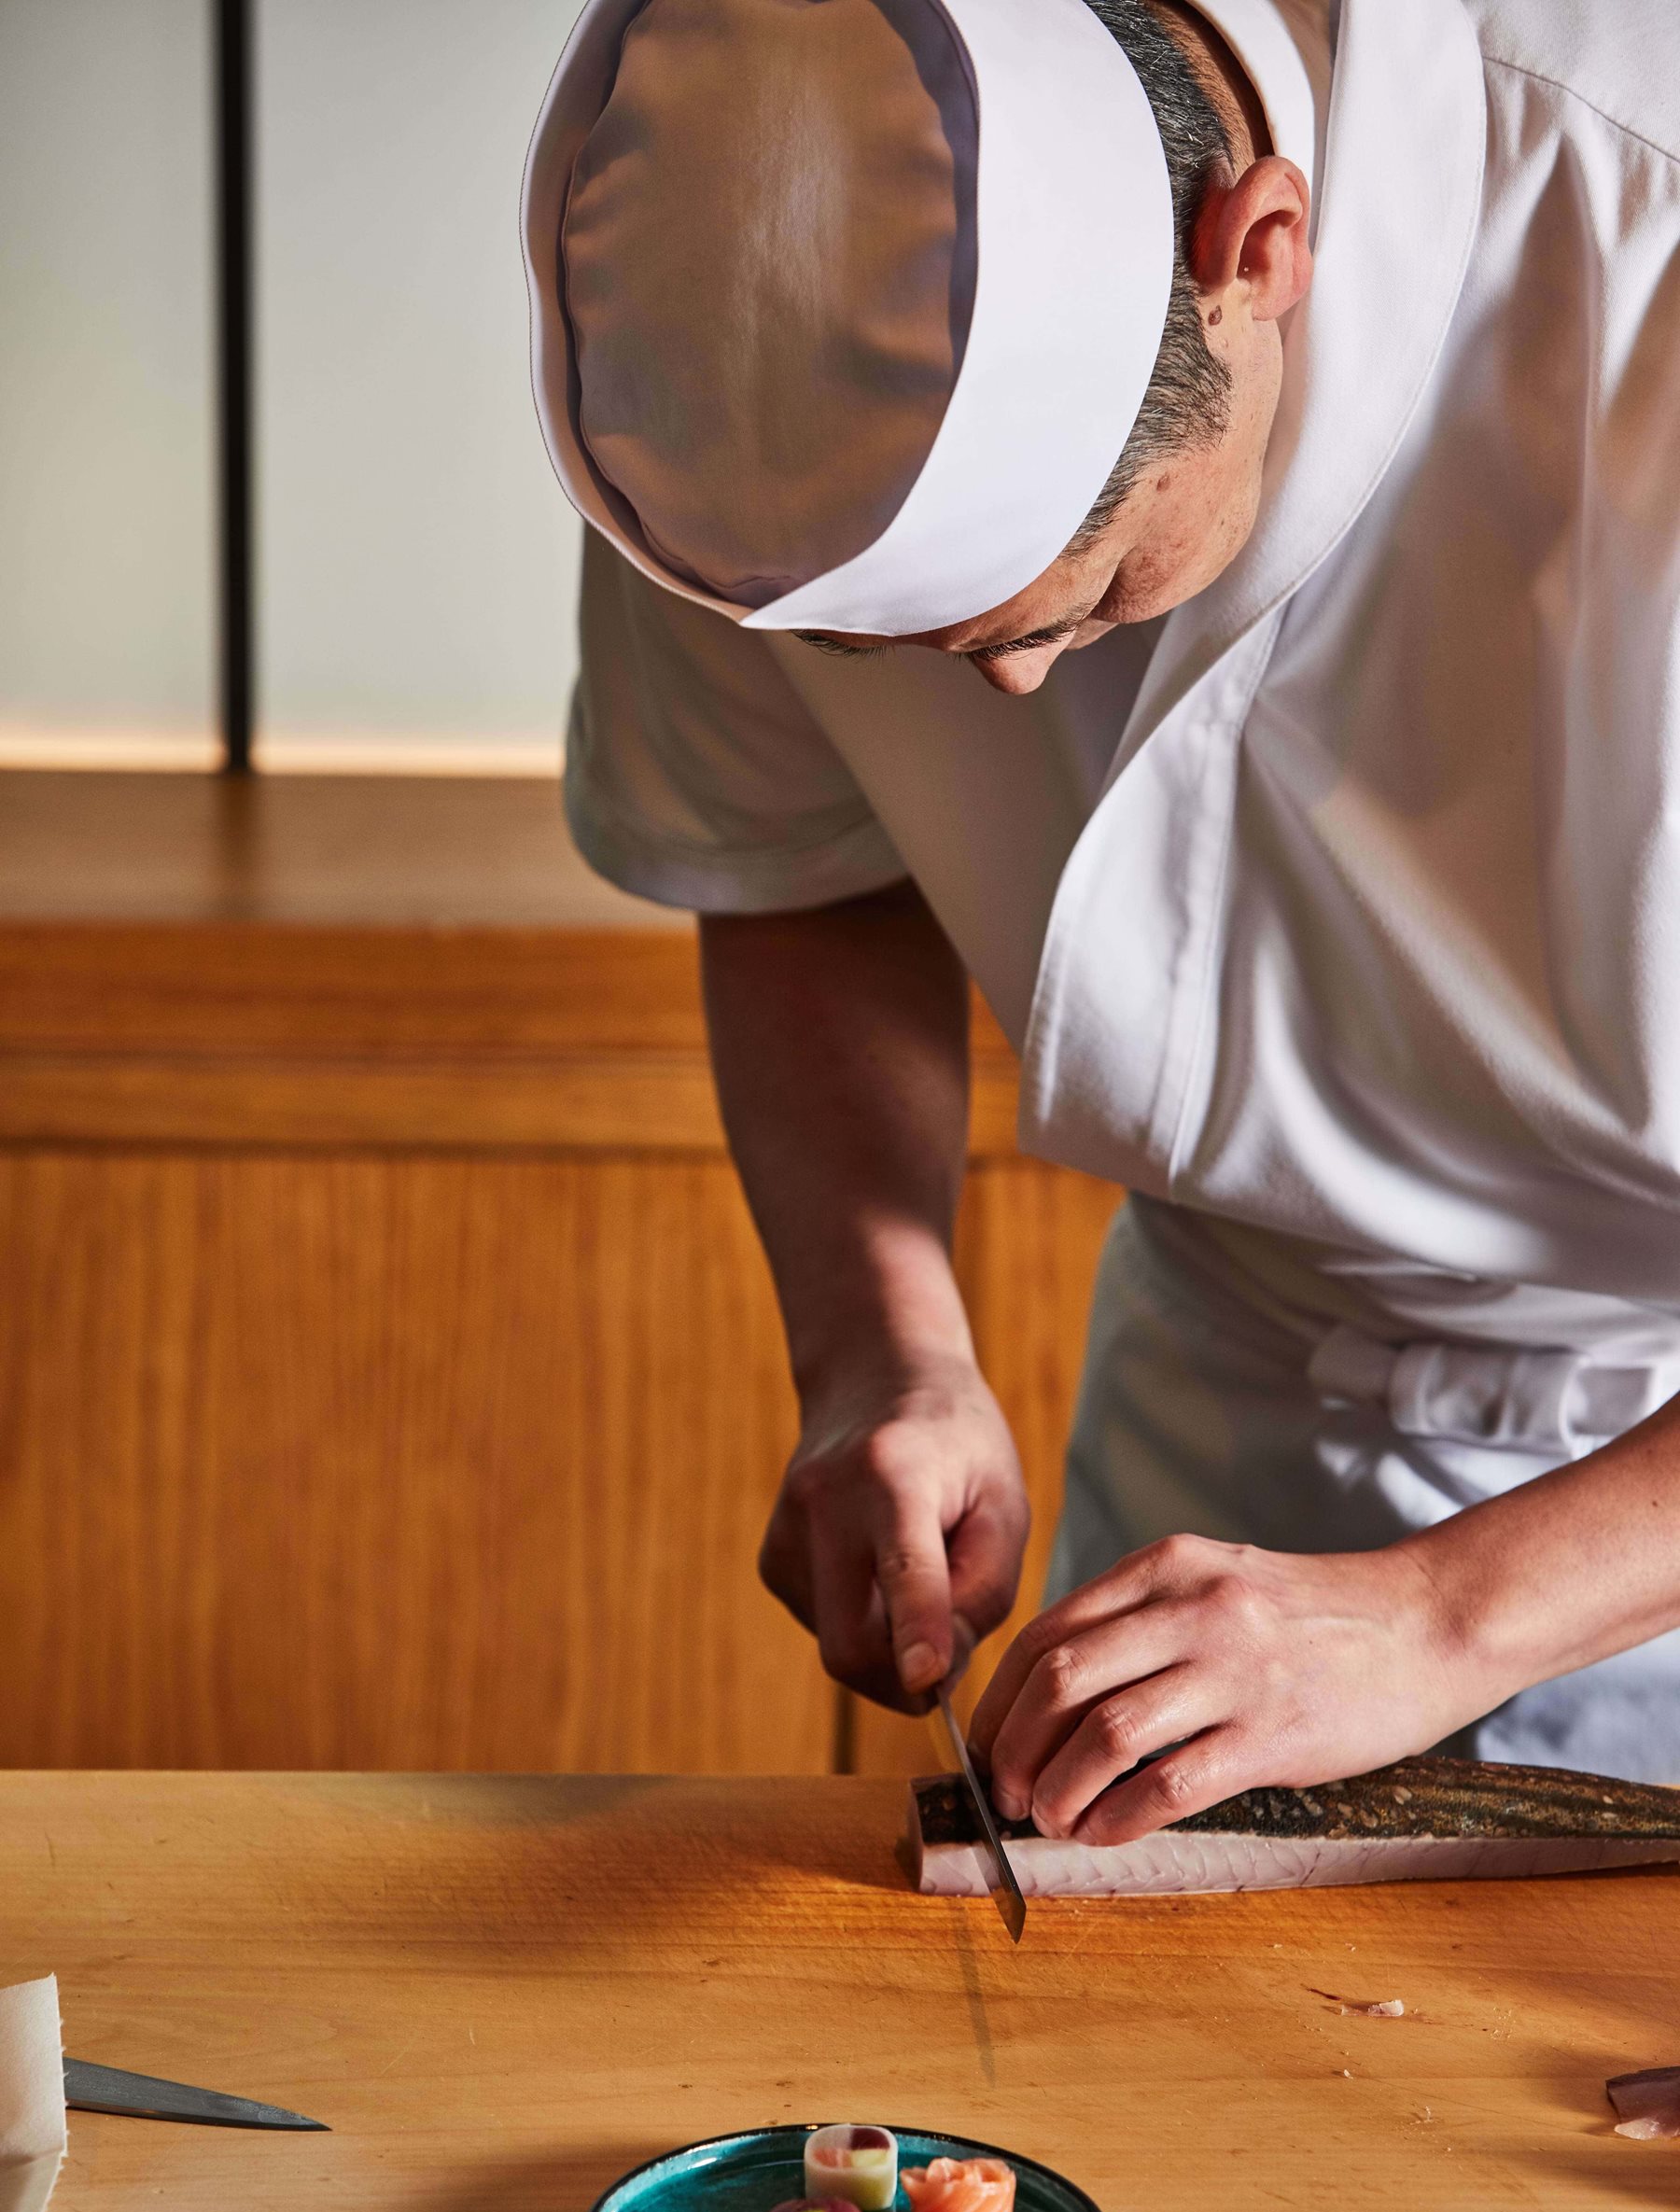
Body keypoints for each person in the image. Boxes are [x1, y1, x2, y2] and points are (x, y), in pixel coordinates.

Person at [522, 0, 1680, 1840]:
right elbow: (805, 863)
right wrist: (882, 1348)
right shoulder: (713, 357)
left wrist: (1445, 1615)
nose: (997, 699)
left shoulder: (1645, 248)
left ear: (1260, 257)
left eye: (1066, 603)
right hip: (1223, 1418)